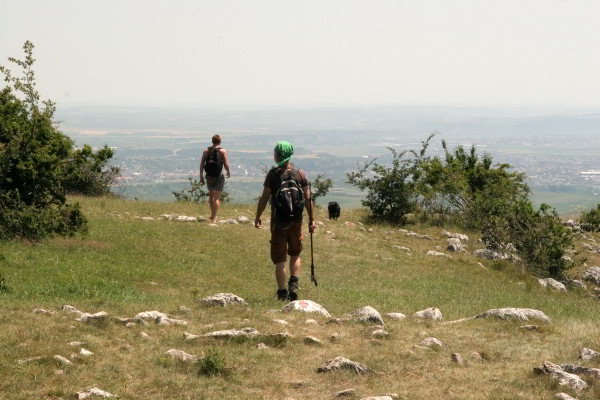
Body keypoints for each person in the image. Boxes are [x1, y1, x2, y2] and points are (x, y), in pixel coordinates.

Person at [255, 141, 316, 301]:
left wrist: (258, 216)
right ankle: (294, 284)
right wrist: (311, 220)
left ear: (277, 156)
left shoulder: (272, 175)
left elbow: (264, 198)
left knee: (280, 259)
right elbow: (308, 199)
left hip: (278, 223)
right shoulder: (300, 174)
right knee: (295, 253)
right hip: (296, 221)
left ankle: (282, 293)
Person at [200, 134, 230, 223]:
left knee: (211, 196)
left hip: (209, 176)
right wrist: (228, 171)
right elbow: (225, 164)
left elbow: (202, 164)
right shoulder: (223, 151)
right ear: (220, 142)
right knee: (216, 198)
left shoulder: (206, 151)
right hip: (219, 176)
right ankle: (214, 216)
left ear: (212, 141)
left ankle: (212, 215)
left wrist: (201, 176)